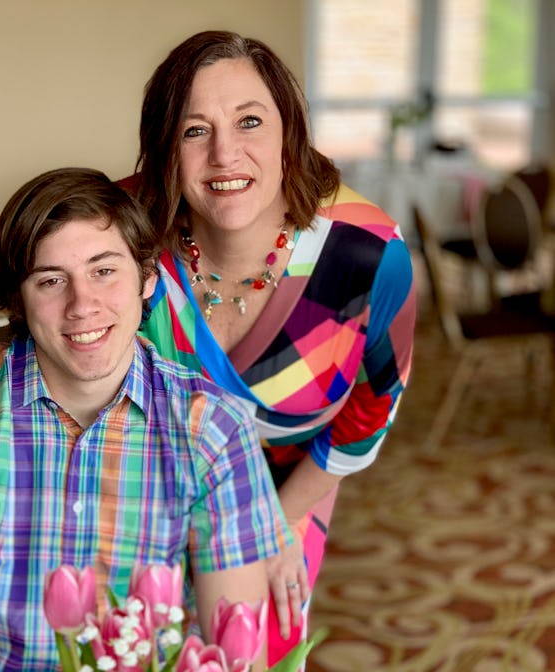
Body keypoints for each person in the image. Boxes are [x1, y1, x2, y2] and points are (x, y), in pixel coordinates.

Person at [0, 167, 289, 671]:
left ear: (146, 280)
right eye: (51, 280)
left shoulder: (214, 428)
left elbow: (234, 656)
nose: (82, 305)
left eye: (104, 270)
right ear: (17, 300)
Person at [125, 30, 416, 666]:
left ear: (290, 130)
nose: (225, 154)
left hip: (288, 484)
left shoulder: (367, 259)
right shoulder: (125, 231)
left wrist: (275, 526)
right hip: (143, 481)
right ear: (163, 150)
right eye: (194, 130)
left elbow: (368, 412)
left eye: (250, 121)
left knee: (253, 643)